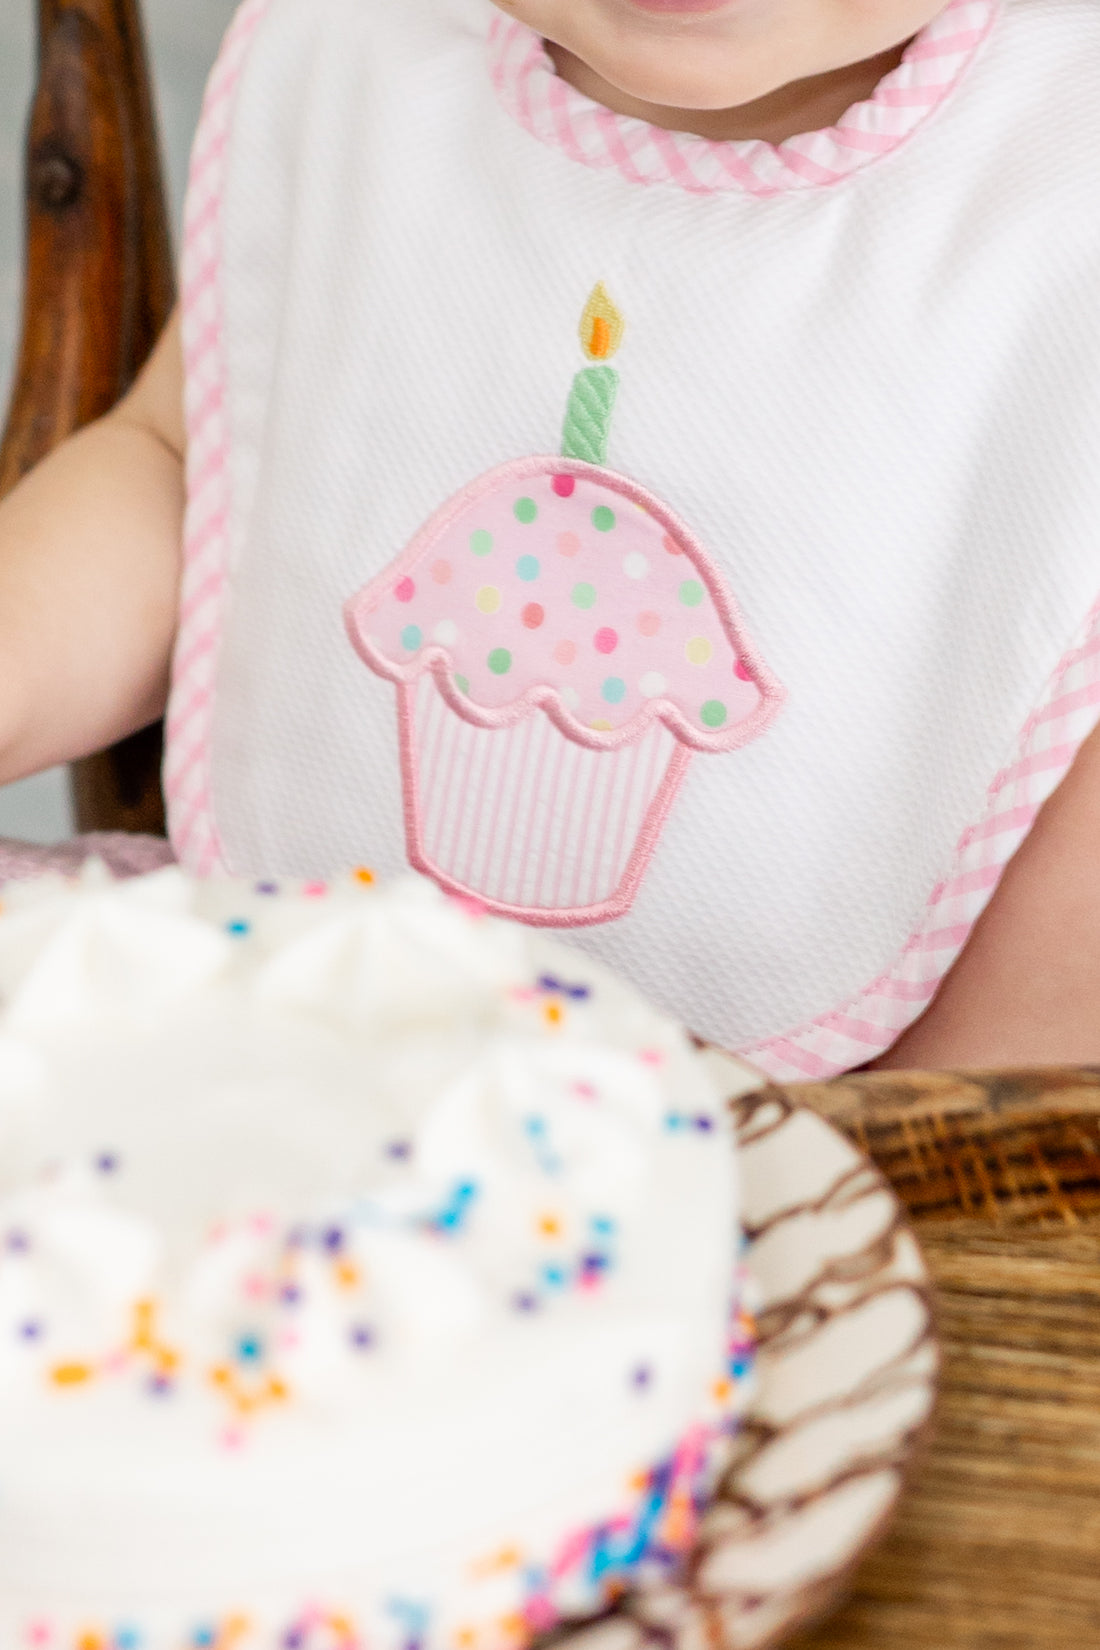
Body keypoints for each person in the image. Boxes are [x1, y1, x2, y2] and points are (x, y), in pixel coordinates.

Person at [0, 0, 1098, 1077]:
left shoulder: (1055, 167)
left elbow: (1023, 1116)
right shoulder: (372, 49)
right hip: (298, 1014)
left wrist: (896, 1168)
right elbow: (194, 471)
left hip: (870, 1147)